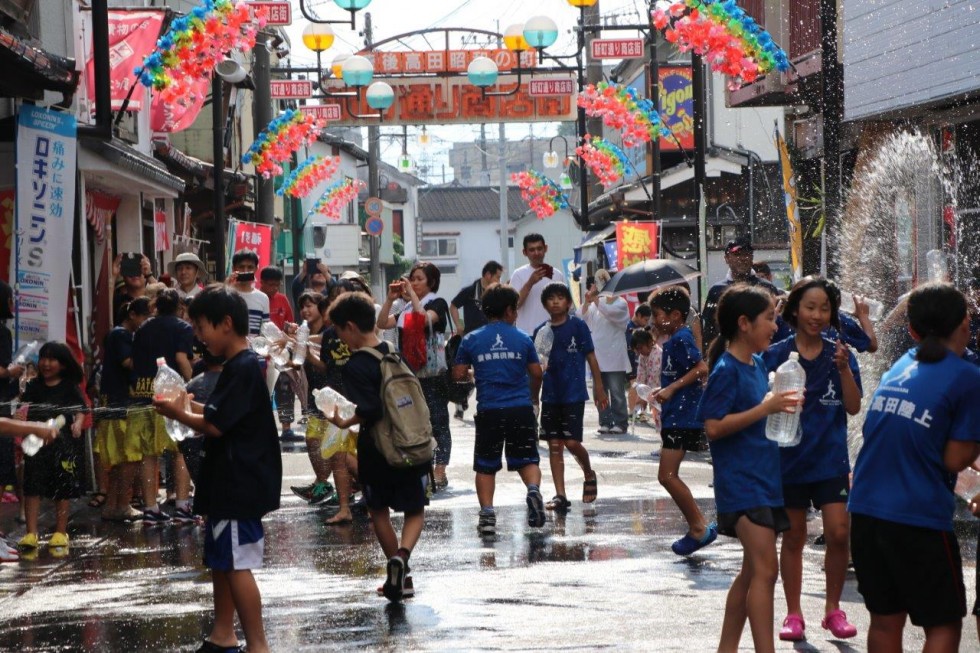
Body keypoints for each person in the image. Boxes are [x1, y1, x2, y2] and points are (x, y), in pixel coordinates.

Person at [848, 283, 980, 653]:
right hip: (916, 517)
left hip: (866, 512)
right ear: (966, 325)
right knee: (943, 625)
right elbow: (954, 460)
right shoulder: (967, 377)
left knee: (887, 621)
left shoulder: (901, 367)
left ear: (911, 330)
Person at [153, 285, 281, 653]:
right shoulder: (240, 366)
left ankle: (258, 645)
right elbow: (216, 417)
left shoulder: (242, 367)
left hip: (238, 485)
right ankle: (223, 634)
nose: (198, 336)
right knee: (222, 560)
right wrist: (187, 408)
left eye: (202, 327)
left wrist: (179, 411)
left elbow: (215, 426)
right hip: (230, 483)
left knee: (236, 564)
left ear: (226, 324)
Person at [696, 285, 799, 653]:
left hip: (764, 480)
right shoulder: (726, 369)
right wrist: (764, 409)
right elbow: (713, 427)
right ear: (744, 323)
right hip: (742, 485)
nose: (775, 325)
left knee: (752, 572)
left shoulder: (755, 364)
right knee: (766, 571)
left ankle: (727, 648)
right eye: (769, 318)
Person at [762, 277, 862, 642]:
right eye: (810, 307)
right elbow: (758, 405)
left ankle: (833, 609)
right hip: (788, 461)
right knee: (794, 537)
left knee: (838, 532)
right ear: (794, 310)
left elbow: (852, 406)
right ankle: (793, 613)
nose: (817, 315)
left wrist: (844, 370)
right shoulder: (776, 354)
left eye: (824, 309)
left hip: (830, 460)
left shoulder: (840, 354)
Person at [325, 291, 428, 602]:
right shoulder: (393, 352)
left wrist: (344, 421)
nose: (340, 338)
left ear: (352, 326)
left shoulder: (356, 364)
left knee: (378, 511)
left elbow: (370, 409)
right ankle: (403, 556)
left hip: (377, 448)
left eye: (340, 331)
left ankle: (400, 576)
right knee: (415, 509)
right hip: (410, 442)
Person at [453, 284, 546, 535]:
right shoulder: (523, 338)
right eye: (515, 310)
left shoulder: (471, 339)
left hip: (490, 410)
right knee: (527, 458)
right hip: (520, 408)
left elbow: (459, 374)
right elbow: (536, 373)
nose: (516, 314)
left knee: (485, 465)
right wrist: (533, 396)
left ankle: (487, 516)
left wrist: (476, 372)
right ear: (508, 311)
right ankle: (534, 491)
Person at [648, 287, 715, 555]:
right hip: (677, 414)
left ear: (676, 315)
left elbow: (701, 368)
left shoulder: (680, 339)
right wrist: (663, 390)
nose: (653, 321)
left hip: (683, 416)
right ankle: (698, 526)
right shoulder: (676, 338)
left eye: (657, 315)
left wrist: (672, 389)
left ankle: (699, 527)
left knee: (666, 475)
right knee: (667, 475)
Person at [377, 262, 453, 490]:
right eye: (412, 279)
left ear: (431, 281)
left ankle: (440, 471)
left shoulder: (437, 303)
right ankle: (423, 467)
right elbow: (381, 323)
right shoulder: (405, 308)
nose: (414, 283)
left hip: (433, 374)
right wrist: (390, 299)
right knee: (415, 421)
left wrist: (411, 294)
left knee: (438, 420)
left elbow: (423, 319)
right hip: (409, 374)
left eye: (419, 279)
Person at [534, 282, 606, 511]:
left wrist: (599, 387)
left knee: (572, 442)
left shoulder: (578, 326)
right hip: (551, 395)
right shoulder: (541, 332)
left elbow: (592, 358)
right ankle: (560, 495)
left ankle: (588, 472)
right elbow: (536, 368)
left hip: (573, 393)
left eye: (560, 297)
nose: (555, 302)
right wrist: (534, 398)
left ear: (568, 302)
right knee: (555, 445)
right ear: (544, 304)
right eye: (551, 298)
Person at [129, 288, 194, 524]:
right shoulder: (182, 327)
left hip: (144, 394)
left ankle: (150, 508)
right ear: (179, 307)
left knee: (149, 454)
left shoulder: (143, 328)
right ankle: (183, 506)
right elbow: (180, 359)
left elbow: (136, 362)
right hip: (172, 397)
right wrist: (191, 383)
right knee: (180, 451)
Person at [17, 342, 88, 556]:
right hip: (36, 443)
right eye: (43, 358)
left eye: (52, 359)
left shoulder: (68, 387)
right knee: (32, 486)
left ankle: (60, 531)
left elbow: (80, 409)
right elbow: (23, 409)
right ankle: (31, 533)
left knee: (62, 487)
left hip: (62, 445)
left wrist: (77, 423)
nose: (46, 364)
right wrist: (19, 421)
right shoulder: (33, 386)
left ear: (64, 364)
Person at [100, 298, 151, 523]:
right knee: (128, 459)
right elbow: (129, 363)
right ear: (133, 315)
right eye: (145, 317)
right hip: (121, 404)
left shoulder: (121, 335)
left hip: (117, 403)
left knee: (122, 460)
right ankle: (121, 505)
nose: (147, 322)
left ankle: (114, 505)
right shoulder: (121, 335)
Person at [288, 292, 340, 508]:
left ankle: (338, 486)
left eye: (310, 306)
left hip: (332, 394)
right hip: (314, 395)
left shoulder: (329, 333)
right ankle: (322, 483)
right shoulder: (305, 331)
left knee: (335, 445)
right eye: (303, 307)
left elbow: (327, 366)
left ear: (322, 308)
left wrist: (307, 353)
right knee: (312, 440)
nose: (306, 311)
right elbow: (297, 364)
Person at [450, 261, 504, 419]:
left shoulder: (497, 293)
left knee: (484, 372)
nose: (499, 281)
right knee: (465, 373)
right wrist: (459, 326)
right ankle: (461, 400)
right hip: (471, 339)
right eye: (497, 277)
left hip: (491, 340)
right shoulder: (469, 291)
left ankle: (481, 404)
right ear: (488, 275)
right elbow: (453, 306)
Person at [701, 237, 778, 348]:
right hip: (727, 354)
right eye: (737, 254)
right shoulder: (717, 290)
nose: (743, 258)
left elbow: (778, 323)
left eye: (747, 254)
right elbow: (709, 329)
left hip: (763, 352)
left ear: (752, 258)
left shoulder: (766, 287)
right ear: (727, 258)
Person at [581, 271, 631, 435]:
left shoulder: (621, 304)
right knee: (599, 391)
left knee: (617, 392)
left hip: (615, 356)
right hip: (598, 356)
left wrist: (595, 301)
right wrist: (587, 303)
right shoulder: (598, 303)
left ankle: (620, 422)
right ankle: (605, 420)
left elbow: (611, 314)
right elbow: (582, 319)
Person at [259, 266, 302, 443]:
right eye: (270, 285)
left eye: (277, 285)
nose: (274, 289)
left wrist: (290, 329)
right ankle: (263, 428)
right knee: (262, 392)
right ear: (262, 283)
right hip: (261, 354)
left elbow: (289, 325)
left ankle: (286, 428)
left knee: (285, 390)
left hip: (281, 354)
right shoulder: (257, 299)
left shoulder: (282, 300)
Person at [509, 234, 566, 336]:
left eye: (539, 248)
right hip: (526, 333)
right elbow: (514, 305)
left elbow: (565, 306)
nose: (536, 253)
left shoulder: (557, 274)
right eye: (532, 250)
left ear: (546, 249)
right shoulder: (518, 274)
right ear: (524, 252)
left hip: (553, 332)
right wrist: (530, 283)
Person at [228, 250, 269, 337]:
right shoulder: (227, 294)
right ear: (234, 269)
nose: (245, 271)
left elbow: (265, 331)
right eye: (241, 267)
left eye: (250, 267)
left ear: (256, 269)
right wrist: (226, 287)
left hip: (255, 349)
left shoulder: (263, 298)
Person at [629, 329, 662, 426]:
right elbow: (640, 377)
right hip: (652, 391)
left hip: (660, 388)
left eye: (640, 348)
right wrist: (640, 395)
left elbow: (654, 378)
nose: (639, 352)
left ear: (650, 342)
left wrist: (644, 398)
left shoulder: (658, 354)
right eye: (637, 350)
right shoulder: (643, 356)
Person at [112, 253, 156, 322]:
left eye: (138, 269)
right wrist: (113, 275)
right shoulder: (118, 301)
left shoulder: (154, 299)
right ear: (123, 274)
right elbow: (104, 305)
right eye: (130, 270)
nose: (135, 275)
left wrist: (149, 275)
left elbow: (166, 301)